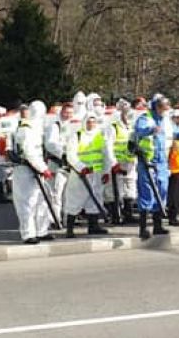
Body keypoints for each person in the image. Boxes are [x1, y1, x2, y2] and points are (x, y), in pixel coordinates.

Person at [132, 96, 179, 239]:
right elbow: (139, 131)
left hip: (162, 162)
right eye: (163, 108)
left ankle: (158, 226)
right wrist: (151, 130)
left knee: (161, 192)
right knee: (147, 193)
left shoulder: (166, 121)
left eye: (167, 108)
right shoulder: (145, 118)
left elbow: (176, 135)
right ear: (156, 107)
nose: (165, 111)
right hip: (147, 162)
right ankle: (143, 228)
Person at [11, 101, 54, 244]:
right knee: (27, 202)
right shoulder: (26, 128)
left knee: (41, 201)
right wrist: (43, 168)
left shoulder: (35, 127)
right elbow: (29, 152)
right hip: (25, 169)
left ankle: (42, 230)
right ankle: (28, 234)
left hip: (36, 169)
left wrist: (41, 168)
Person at [64, 114, 110, 237]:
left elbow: (106, 154)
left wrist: (106, 171)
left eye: (93, 122)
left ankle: (93, 226)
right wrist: (81, 167)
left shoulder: (99, 136)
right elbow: (71, 155)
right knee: (75, 200)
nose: (91, 124)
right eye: (89, 122)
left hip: (96, 173)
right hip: (81, 175)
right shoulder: (77, 136)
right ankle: (69, 229)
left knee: (95, 199)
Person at [105, 100, 138, 224]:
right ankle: (115, 215)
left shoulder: (132, 127)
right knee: (115, 190)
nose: (128, 116)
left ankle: (128, 214)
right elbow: (108, 146)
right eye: (125, 113)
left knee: (130, 188)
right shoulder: (113, 127)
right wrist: (113, 163)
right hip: (117, 163)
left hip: (130, 162)